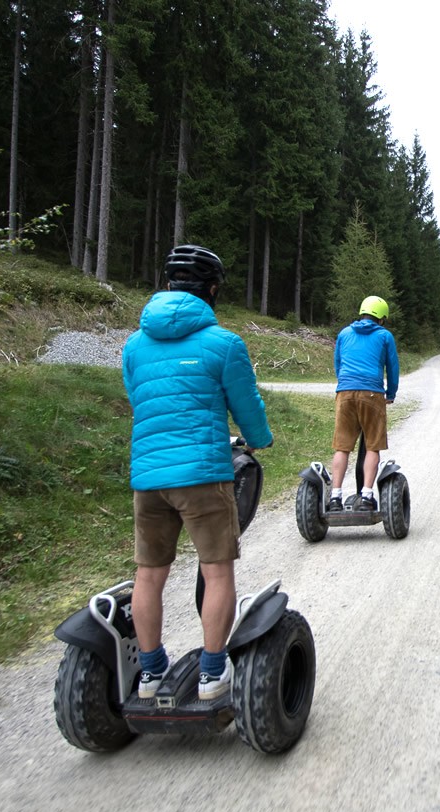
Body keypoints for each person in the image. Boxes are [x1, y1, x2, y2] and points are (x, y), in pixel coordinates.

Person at [122, 244, 274, 701]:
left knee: (148, 575)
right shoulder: (223, 344)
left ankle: (149, 673)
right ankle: (211, 673)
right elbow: (248, 409)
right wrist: (258, 437)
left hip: (149, 479)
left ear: (168, 286)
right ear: (211, 291)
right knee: (217, 569)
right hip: (203, 476)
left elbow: (140, 399)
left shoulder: (134, 345)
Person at [328, 295, 400, 512]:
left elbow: (338, 364)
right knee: (373, 445)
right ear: (382, 318)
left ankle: (335, 496)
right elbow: (392, 367)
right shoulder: (384, 336)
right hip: (372, 393)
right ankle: (367, 495)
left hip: (346, 392)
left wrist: (345, 386)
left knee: (342, 446)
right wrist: (391, 392)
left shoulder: (344, 333)